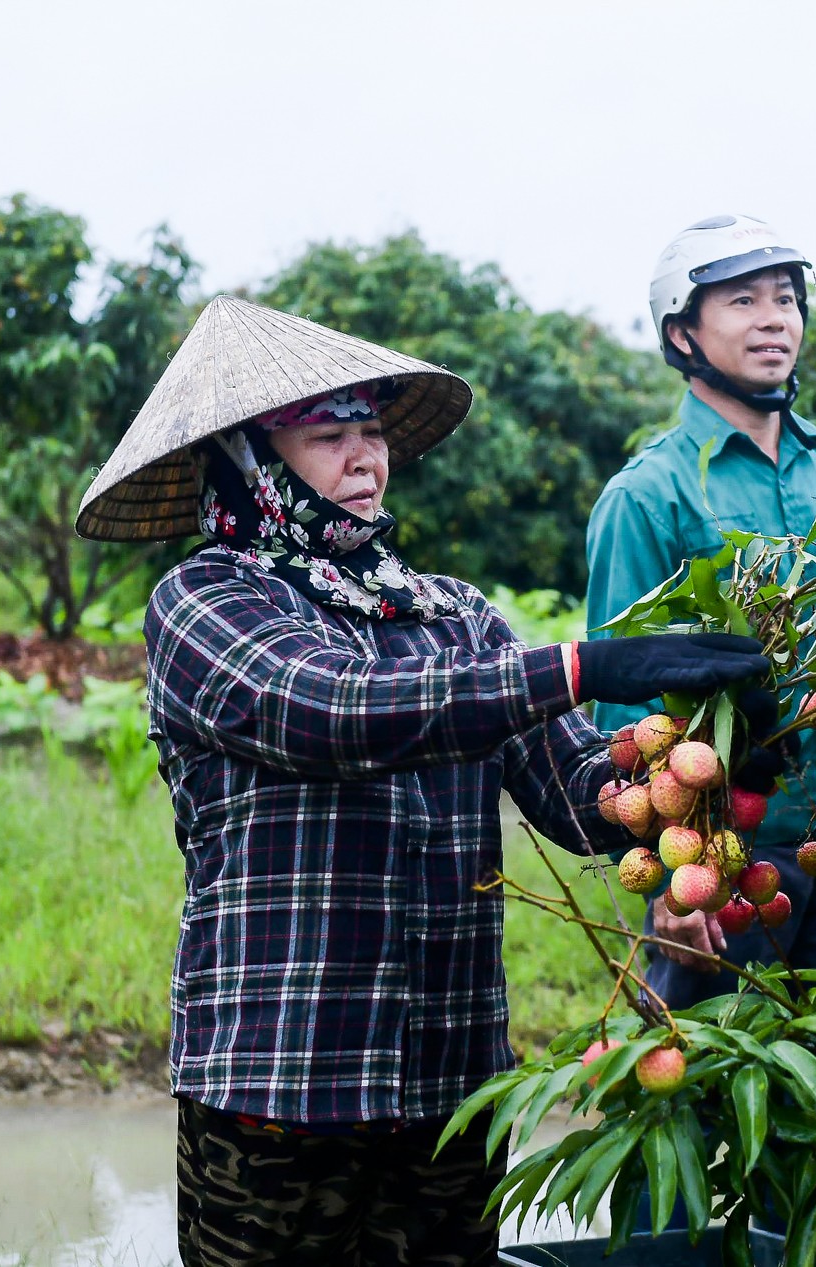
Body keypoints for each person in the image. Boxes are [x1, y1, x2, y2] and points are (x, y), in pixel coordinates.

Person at [74, 297, 772, 1267]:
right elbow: (334, 711)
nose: (367, 457)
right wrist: (578, 665)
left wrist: (705, 766)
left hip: (450, 1085)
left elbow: (576, 795)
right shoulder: (203, 603)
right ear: (251, 461)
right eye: (330, 436)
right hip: (281, 1080)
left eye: (372, 431)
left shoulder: (454, 616)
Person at [586, 214, 816, 1010]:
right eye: (742, 300)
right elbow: (624, 716)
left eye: (785, 298)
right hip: (726, 849)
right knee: (709, 1084)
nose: (773, 318)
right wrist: (671, 888)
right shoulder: (646, 496)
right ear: (682, 332)